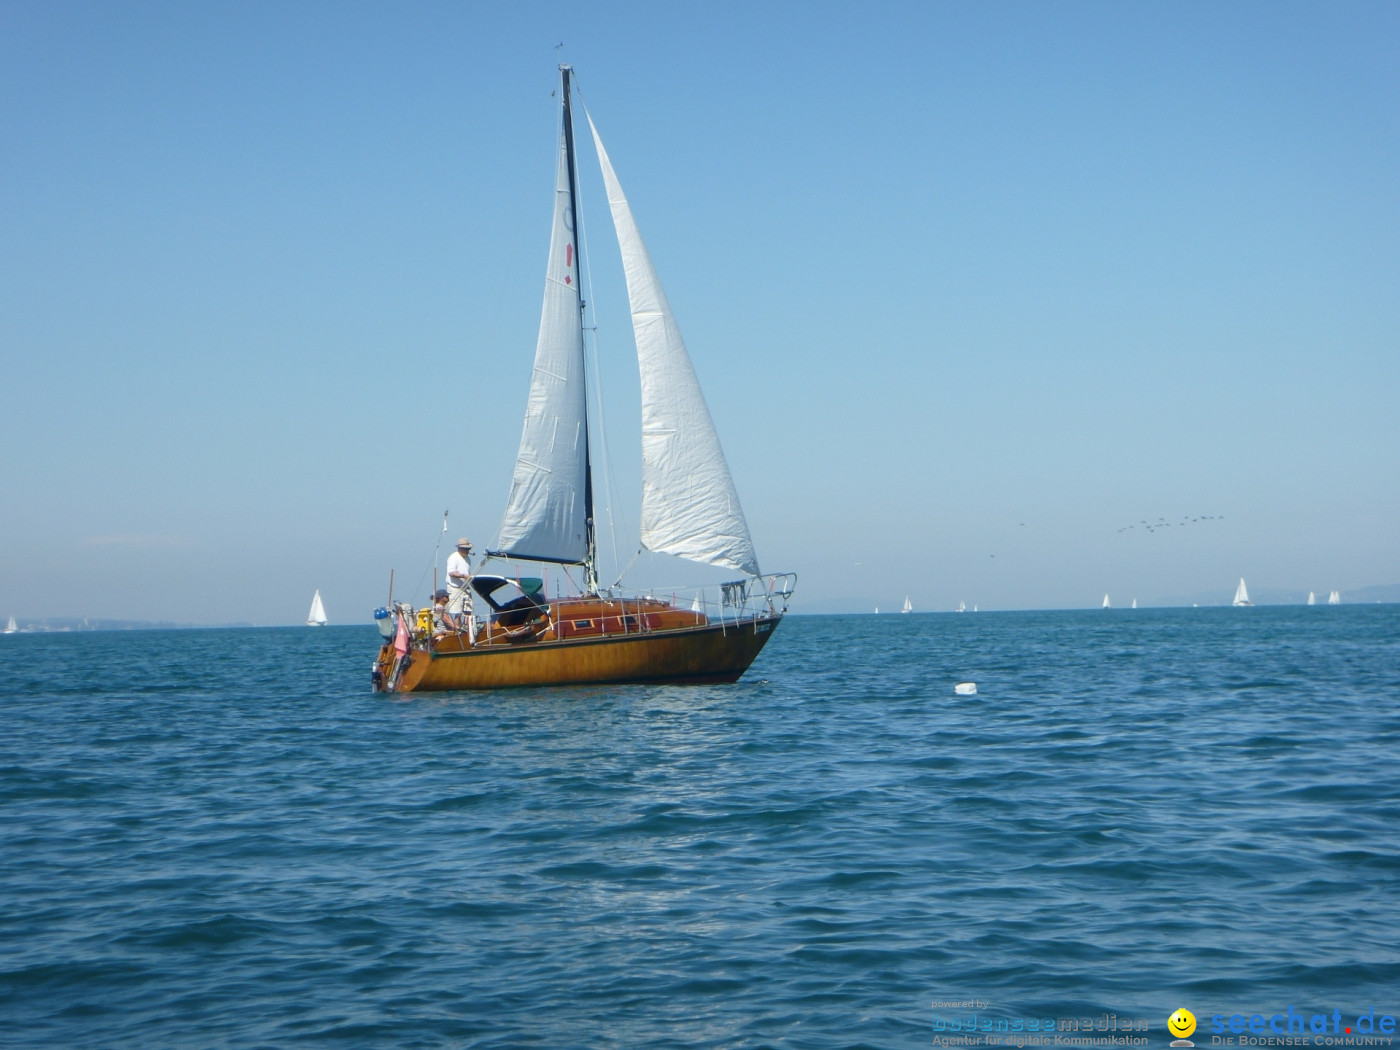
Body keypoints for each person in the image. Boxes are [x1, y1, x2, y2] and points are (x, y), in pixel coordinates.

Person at [445, 538, 475, 639]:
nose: (468, 551)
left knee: (468, 610)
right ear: (460, 548)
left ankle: (469, 631)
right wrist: (463, 575)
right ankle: (458, 632)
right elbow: (451, 572)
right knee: (457, 612)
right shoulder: (453, 557)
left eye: (468, 549)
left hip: (465, 587)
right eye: (466, 549)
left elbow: (467, 572)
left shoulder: (468, 559)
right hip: (455, 587)